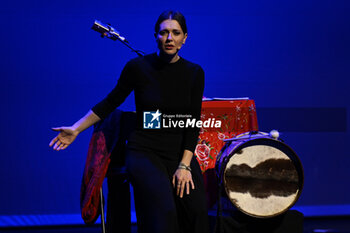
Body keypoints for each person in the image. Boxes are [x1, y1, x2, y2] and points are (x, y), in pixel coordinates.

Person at [49, 10, 210, 233]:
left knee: (197, 213)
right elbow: (110, 102)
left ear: (185, 38)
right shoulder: (138, 67)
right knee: (164, 215)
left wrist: (184, 165)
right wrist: (76, 129)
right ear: (156, 36)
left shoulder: (194, 72)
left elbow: (192, 121)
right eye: (164, 33)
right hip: (145, 151)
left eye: (175, 33)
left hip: (178, 153)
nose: (169, 38)